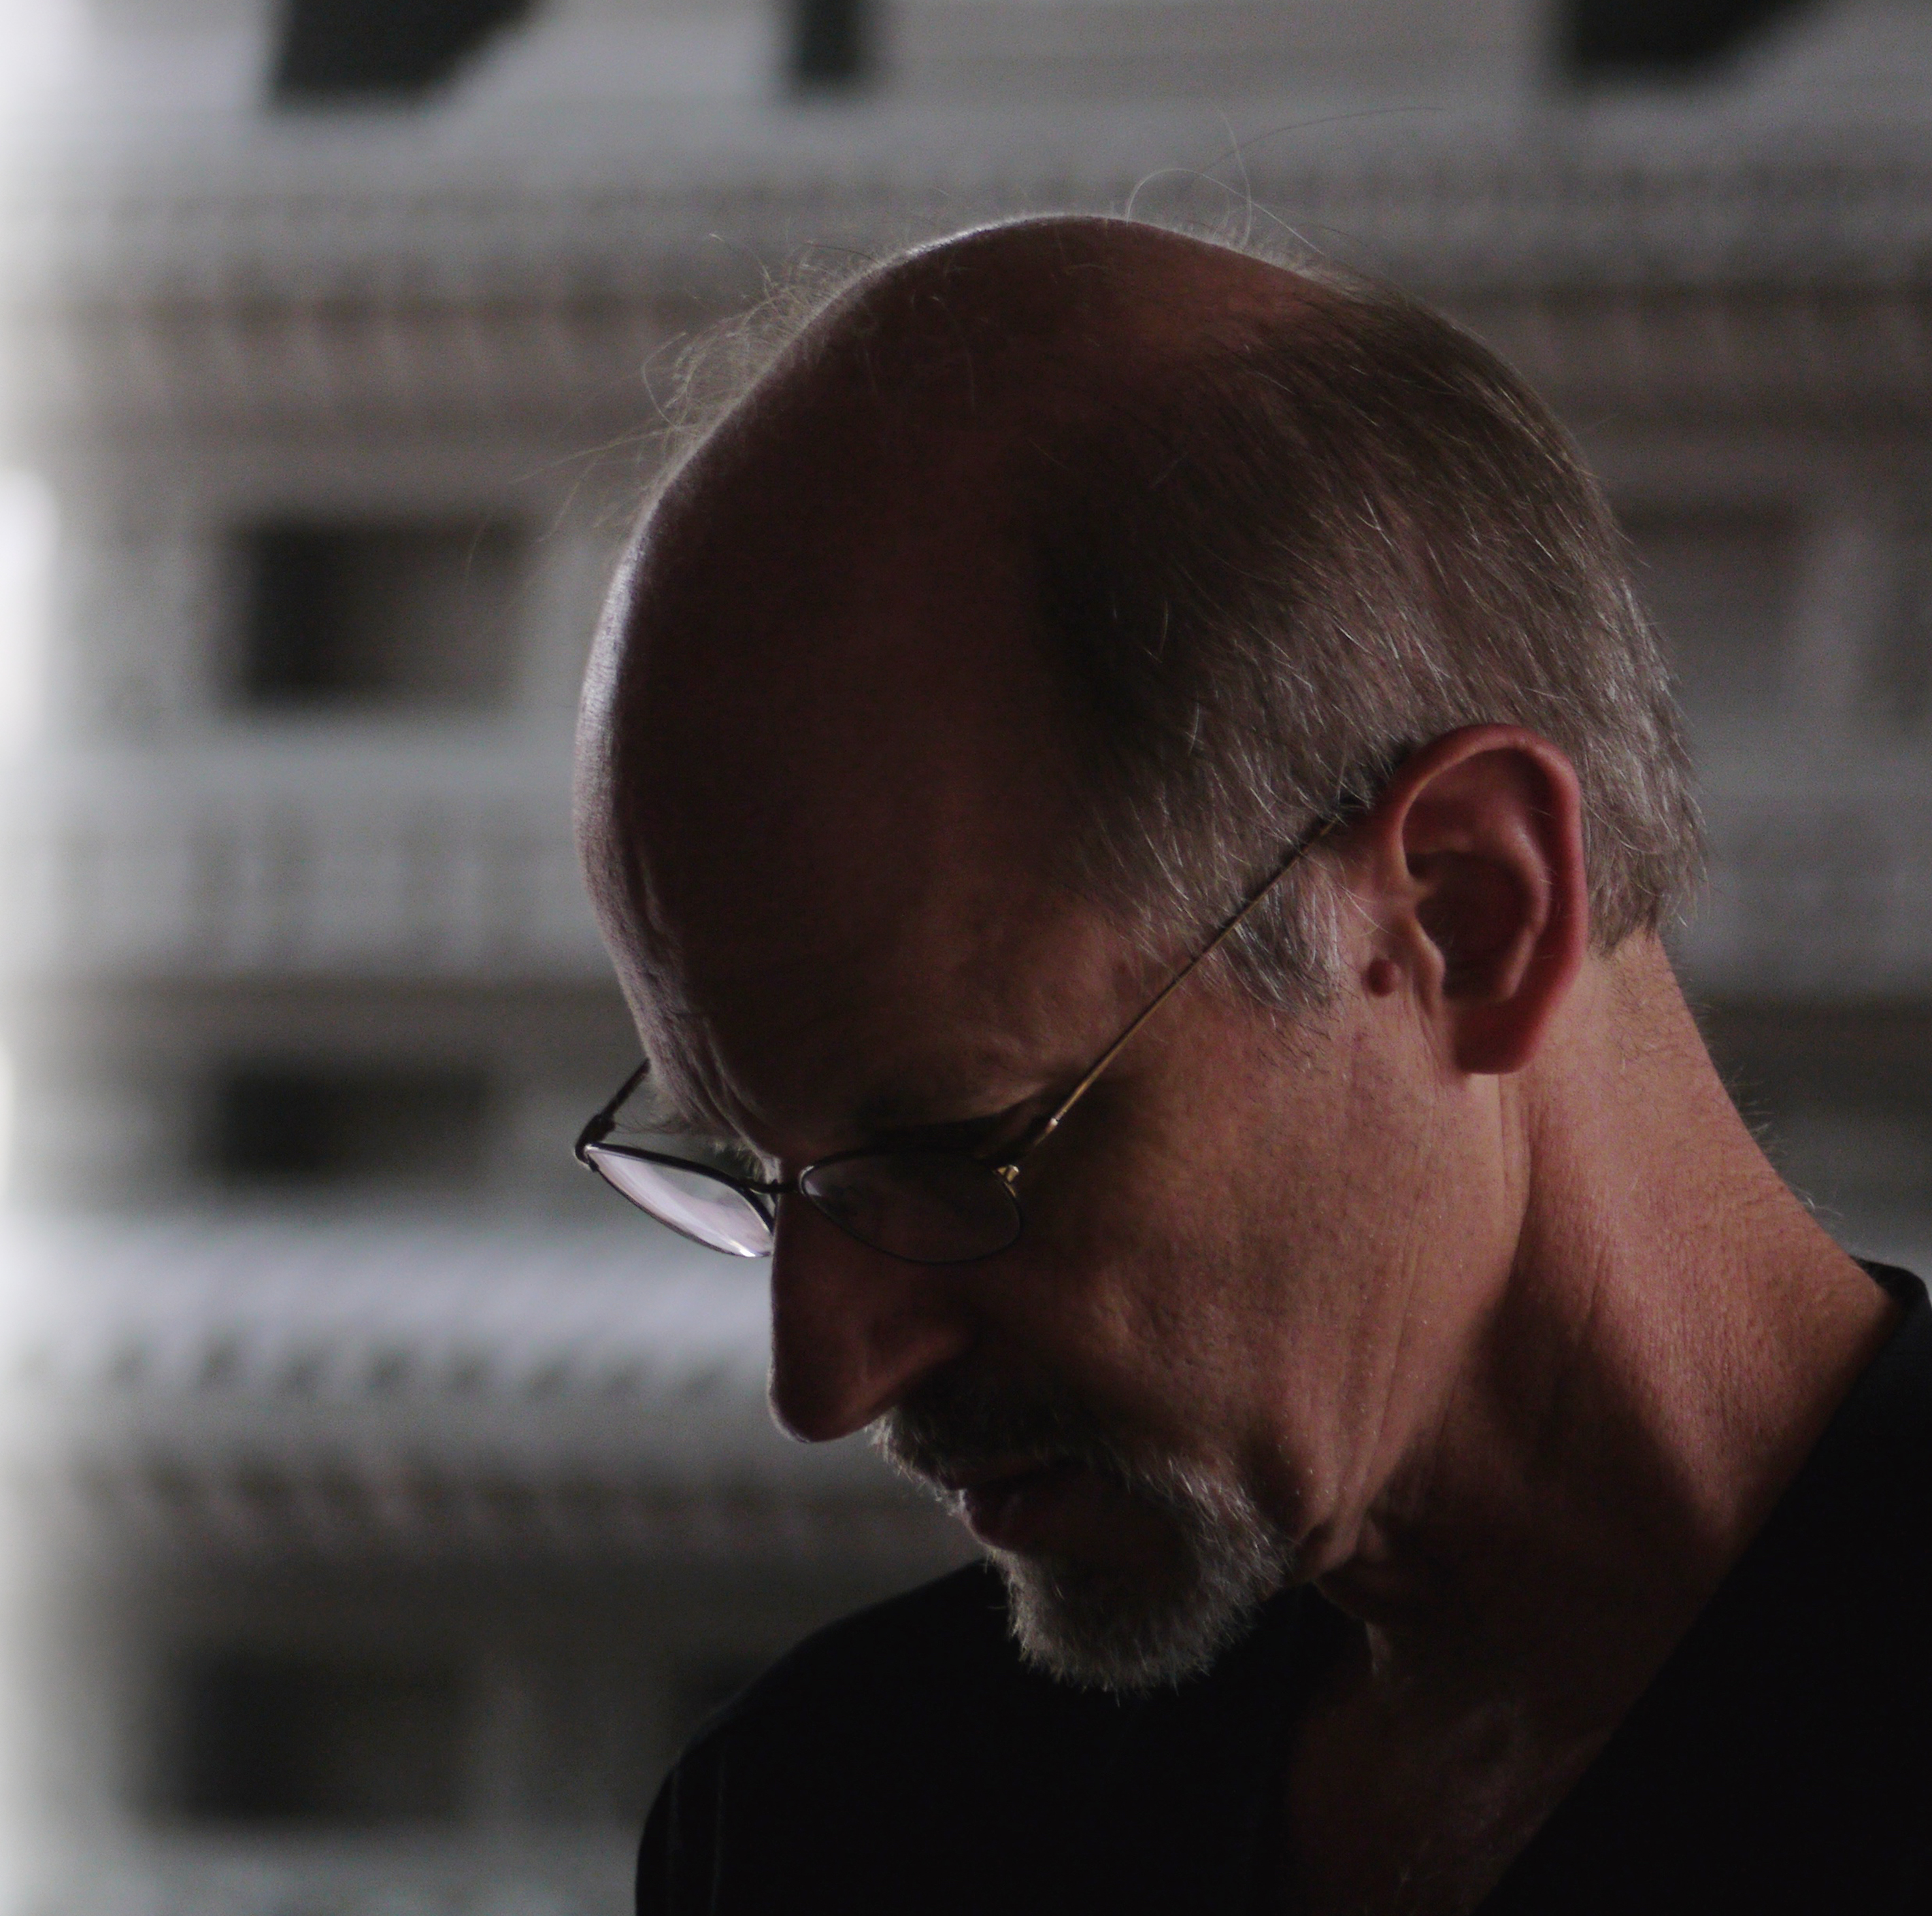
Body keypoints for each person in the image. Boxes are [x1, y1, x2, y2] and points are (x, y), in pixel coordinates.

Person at [571, 216, 1931, 1914]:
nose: (824, 1381)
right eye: (767, 1182)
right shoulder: (825, 1827)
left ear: (1466, 912)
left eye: (950, 1147)